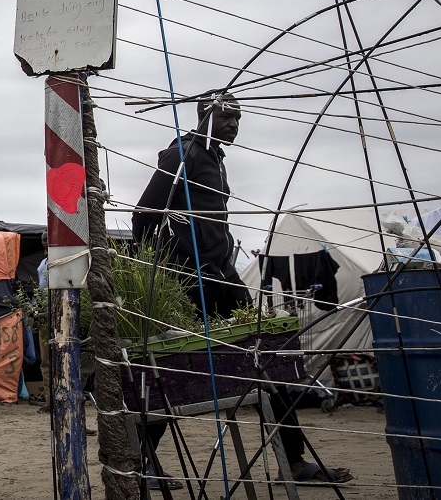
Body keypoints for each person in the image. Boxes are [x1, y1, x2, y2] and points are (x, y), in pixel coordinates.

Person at [133, 93, 352, 485]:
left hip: (223, 275)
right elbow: (144, 214)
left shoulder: (215, 157)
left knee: (266, 354)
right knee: (173, 369)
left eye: (238, 117)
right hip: (191, 280)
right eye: (227, 116)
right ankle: (141, 465)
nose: (234, 124)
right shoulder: (184, 154)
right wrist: (166, 268)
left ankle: (296, 462)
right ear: (204, 115)